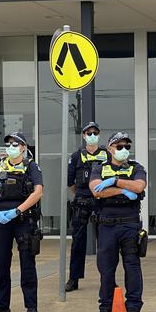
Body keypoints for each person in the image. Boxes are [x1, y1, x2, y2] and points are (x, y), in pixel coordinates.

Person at [0, 132, 43, 312]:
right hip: (0, 219)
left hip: (23, 218)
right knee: (0, 263)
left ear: (24, 148)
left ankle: (31, 306)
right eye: (9, 144)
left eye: (16, 144)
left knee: (27, 263)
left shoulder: (31, 167)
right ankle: (0, 305)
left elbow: (38, 191)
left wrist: (17, 211)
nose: (11, 147)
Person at [89, 132, 147, 312]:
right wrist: (122, 189)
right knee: (106, 268)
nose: (124, 150)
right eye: (119, 146)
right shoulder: (99, 168)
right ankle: (106, 306)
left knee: (132, 266)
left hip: (130, 224)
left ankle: (133, 306)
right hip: (106, 225)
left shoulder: (136, 168)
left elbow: (139, 187)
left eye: (126, 147)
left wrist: (114, 182)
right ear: (110, 149)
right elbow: (97, 191)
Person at [65, 122, 109, 292]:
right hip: (82, 201)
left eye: (95, 133)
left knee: (105, 243)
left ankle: (107, 279)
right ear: (83, 135)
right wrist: (83, 194)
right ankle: (74, 279)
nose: (92, 135)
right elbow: (71, 183)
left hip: (101, 202)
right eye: (89, 133)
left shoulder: (106, 155)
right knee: (78, 242)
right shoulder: (76, 156)